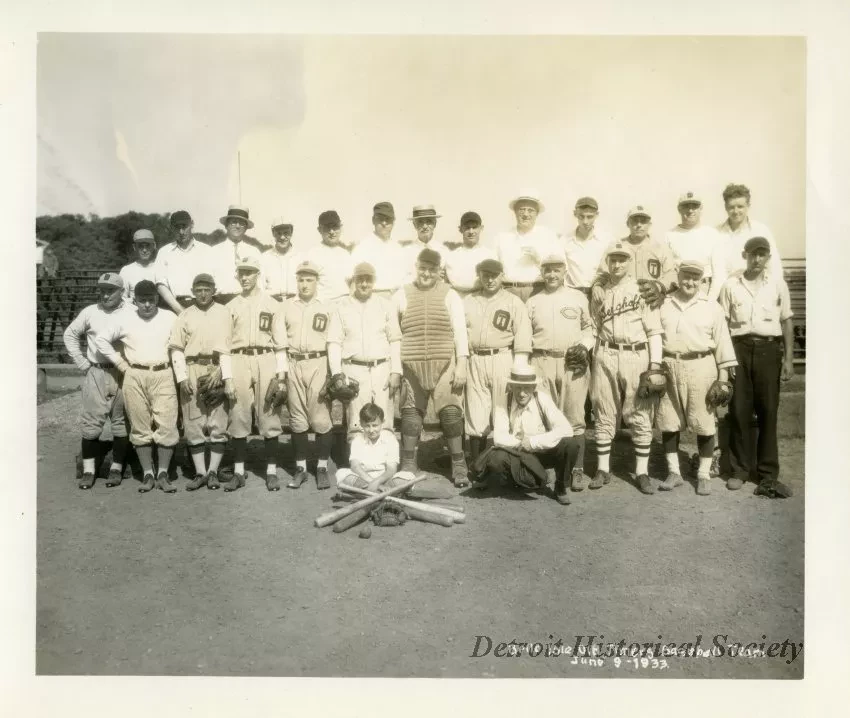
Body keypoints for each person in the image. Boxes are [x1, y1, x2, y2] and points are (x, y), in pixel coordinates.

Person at [717, 236, 795, 498]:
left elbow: (786, 322)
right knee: (738, 410)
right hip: (738, 348)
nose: (757, 259)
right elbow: (722, 325)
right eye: (753, 254)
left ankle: (767, 473)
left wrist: (788, 360)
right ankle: (739, 470)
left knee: (768, 411)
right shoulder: (731, 285)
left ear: (768, 257)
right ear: (745, 255)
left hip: (768, 349)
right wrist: (725, 362)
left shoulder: (777, 285)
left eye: (762, 254)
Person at [657, 261, 737, 496]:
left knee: (704, 420)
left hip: (702, 364)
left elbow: (722, 342)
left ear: (702, 280)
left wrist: (722, 379)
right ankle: (674, 472)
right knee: (668, 420)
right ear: (678, 276)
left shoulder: (711, 306)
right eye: (686, 276)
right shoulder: (664, 304)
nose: (690, 281)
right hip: (669, 364)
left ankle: (703, 473)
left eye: (695, 277)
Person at [391, 248, 470, 486]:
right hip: (412, 361)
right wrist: (397, 367)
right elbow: (394, 335)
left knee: (450, 412)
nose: (426, 273)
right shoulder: (401, 294)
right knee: (411, 412)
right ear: (416, 268)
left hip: (444, 360)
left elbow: (460, 332)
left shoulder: (450, 295)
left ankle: (458, 464)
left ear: (439, 271)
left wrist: (462, 364)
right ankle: (407, 463)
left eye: (432, 269)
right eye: (423, 268)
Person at [590, 243, 664, 495]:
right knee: (604, 409)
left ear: (629, 262)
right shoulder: (599, 291)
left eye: (622, 260)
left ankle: (642, 472)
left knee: (640, 411)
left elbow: (654, 330)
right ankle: (602, 468)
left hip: (636, 353)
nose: (617, 264)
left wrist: (655, 365)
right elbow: (593, 326)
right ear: (607, 261)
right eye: (613, 259)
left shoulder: (642, 289)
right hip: (606, 352)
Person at [94, 280, 179, 493]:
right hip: (134, 374)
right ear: (135, 300)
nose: (147, 305)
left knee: (166, 424)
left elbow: (180, 345)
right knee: (140, 425)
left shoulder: (170, 317)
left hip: (163, 372)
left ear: (158, 299)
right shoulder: (125, 318)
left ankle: (163, 474)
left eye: (151, 300)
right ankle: (147, 474)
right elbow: (101, 340)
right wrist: (120, 363)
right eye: (143, 301)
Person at [525, 254, 595, 490]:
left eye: (556, 270)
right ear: (542, 272)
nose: (552, 275)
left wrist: (583, 348)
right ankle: (549, 469)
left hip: (571, 362)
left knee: (575, 417)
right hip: (542, 360)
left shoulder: (577, 297)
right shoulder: (534, 301)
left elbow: (589, 328)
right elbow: (525, 335)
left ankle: (576, 469)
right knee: (546, 418)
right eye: (547, 270)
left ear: (565, 271)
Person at [225, 255, 289, 492]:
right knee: (238, 413)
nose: (245, 277)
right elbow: (224, 345)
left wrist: (281, 376)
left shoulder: (272, 304)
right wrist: (227, 375)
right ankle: (239, 472)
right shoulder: (231, 306)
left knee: (269, 413)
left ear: (258, 275)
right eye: (241, 272)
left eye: (249, 272)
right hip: (239, 356)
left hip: (266, 357)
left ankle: (271, 471)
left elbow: (281, 342)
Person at [474, 364, 582, 505]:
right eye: (518, 387)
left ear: (533, 388)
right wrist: (520, 443)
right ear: (511, 386)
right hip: (519, 454)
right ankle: (514, 480)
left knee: (570, 444)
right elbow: (499, 438)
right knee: (497, 458)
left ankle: (560, 486)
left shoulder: (542, 399)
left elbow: (566, 429)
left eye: (526, 388)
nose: (522, 393)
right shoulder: (503, 401)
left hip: (542, 450)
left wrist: (533, 441)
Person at [462, 258, 532, 473]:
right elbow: (460, 333)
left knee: (504, 411)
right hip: (476, 358)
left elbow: (522, 337)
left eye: (494, 275)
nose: (490, 279)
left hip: (503, 357)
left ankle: (511, 466)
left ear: (502, 276)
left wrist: (518, 369)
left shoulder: (513, 301)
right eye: (485, 275)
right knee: (476, 412)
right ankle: (478, 468)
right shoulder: (468, 300)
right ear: (479, 276)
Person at [63, 272, 131, 489]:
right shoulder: (91, 311)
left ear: (121, 291)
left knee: (121, 423)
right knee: (91, 425)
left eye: (110, 290)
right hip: (97, 371)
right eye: (102, 290)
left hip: (123, 372)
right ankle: (89, 471)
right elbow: (70, 334)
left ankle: (116, 469)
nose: (105, 295)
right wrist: (82, 363)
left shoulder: (132, 311)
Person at [167, 273, 234, 491]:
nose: (203, 294)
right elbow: (176, 348)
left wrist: (223, 372)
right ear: (193, 291)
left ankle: (213, 471)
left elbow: (229, 346)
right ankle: (200, 472)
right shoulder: (185, 315)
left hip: (216, 366)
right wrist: (182, 376)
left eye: (207, 289)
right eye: (199, 290)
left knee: (218, 421)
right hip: (192, 366)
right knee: (193, 421)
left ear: (214, 290)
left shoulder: (225, 312)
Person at [327, 262, 402, 439]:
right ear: (353, 281)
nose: (364, 284)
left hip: (382, 368)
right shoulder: (341, 306)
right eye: (360, 279)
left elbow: (395, 340)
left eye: (368, 280)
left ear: (374, 282)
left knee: (384, 421)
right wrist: (337, 374)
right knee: (356, 422)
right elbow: (334, 342)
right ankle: (358, 463)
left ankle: (384, 463)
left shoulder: (386, 305)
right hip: (354, 370)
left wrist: (396, 371)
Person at [282, 261, 335, 491]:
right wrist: (282, 374)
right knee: (298, 418)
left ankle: (322, 468)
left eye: (309, 280)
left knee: (321, 418)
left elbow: (333, 341)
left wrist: (333, 371)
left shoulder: (328, 306)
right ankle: (301, 468)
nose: (304, 284)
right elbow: (281, 344)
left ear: (316, 282)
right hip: (294, 362)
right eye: (301, 279)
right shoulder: (286, 306)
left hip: (318, 362)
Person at [591, 206, 677, 314]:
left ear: (650, 224)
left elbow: (672, 275)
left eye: (643, 221)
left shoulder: (661, 248)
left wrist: (659, 286)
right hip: (622, 304)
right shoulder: (616, 246)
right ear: (628, 224)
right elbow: (603, 272)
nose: (639, 225)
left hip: (651, 301)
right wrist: (597, 285)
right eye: (635, 221)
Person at [713, 183, 783, 298]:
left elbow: (774, 266)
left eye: (740, 206)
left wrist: (777, 295)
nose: (736, 211)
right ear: (725, 207)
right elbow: (716, 273)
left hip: (756, 294)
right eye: (731, 207)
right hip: (725, 295)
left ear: (748, 206)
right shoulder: (716, 233)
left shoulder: (761, 230)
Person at [494, 189, 562, 302]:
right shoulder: (502, 237)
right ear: (515, 212)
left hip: (538, 290)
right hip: (508, 291)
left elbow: (561, 267)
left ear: (537, 213)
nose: (526, 214)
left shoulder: (549, 236)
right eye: (522, 209)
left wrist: (539, 259)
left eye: (530, 210)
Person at [335, 403, 414, 492]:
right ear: (361, 423)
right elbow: (355, 466)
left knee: (409, 477)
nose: (371, 430)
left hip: (385, 480)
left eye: (375, 425)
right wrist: (375, 484)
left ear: (382, 423)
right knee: (341, 473)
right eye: (367, 426)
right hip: (363, 479)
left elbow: (391, 469)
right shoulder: (357, 440)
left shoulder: (390, 439)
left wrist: (378, 482)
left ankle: (367, 493)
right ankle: (383, 493)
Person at [663, 192, 722, 299]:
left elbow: (719, 273)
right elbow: (667, 271)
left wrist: (711, 300)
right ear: (679, 209)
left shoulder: (712, 234)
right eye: (686, 206)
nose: (690, 210)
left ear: (701, 208)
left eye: (694, 206)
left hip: (704, 288)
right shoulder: (669, 235)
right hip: (678, 289)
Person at [155, 210, 214, 314]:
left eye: (184, 226)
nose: (181, 232)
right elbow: (161, 285)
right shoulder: (164, 252)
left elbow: (213, 282)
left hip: (204, 306)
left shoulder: (207, 250)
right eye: (177, 227)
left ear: (192, 224)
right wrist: (180, 310)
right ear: (172, 228)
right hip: (174, 307)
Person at [349, 202, 407, 296]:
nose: (384, 223)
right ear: (373, 220)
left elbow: (404, 278)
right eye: (380, 219)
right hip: (371, 297)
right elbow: (353, 280)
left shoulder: (398, 248)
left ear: (393, 222)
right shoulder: (363, 247)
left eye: (388, 219)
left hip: (396, 296)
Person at [209, 205, 264, 304]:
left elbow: (261, 281)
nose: (237, 226)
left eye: (242, 223)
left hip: (247, 301)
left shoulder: (254, 252)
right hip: (220, 302)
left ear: (246, 228)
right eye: (234, 222)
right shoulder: (214, 252)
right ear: (226, 225)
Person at [562, 196, 609, 297]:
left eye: (590, 216)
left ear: (597, 215)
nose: (585, 221)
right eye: (581, 216)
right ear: (575, 214)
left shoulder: (607, 240)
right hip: (573, 294)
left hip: (600, 293)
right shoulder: (564, 241)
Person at [303, 210, 353, 302]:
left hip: (345, 303)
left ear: (340, 228)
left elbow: (352, 284)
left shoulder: (346, 254)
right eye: (327, 228)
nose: (332, 231)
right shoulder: (312, 254)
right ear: (319, 230)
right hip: (323, 304)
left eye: (335, 227)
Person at [443, 211, 496, 296]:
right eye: (467, 228)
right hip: (458, 298)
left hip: (483, 297)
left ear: (481, 228)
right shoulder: (452, 256)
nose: (471, 231)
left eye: (474, 227)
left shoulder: (490, 255)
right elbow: (455, 282)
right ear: (460, 229)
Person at [398, 205, 452, 285]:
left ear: (435, 224)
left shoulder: (444, 251)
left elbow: (448, 281)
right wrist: (432, 276)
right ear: (414, 225)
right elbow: (402, 279)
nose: (425, 226)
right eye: (420, 222)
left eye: (429, 221)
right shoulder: (406, 252)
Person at [263, 216, 303, 301]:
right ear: (273, 233)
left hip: (295, 302)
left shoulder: (301, 257)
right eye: (278, 233)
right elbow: (260, 285)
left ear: (291, 233)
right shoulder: (265, 257)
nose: (282, 237)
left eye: (286, 233)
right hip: (271, 303)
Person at [119, 229, 158, 302]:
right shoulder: (126, 271)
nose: (144, 250)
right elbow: (121, 299)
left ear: (153, 246)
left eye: (148, 246)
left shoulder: (160, 267)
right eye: (140, 246)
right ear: (134, 247)